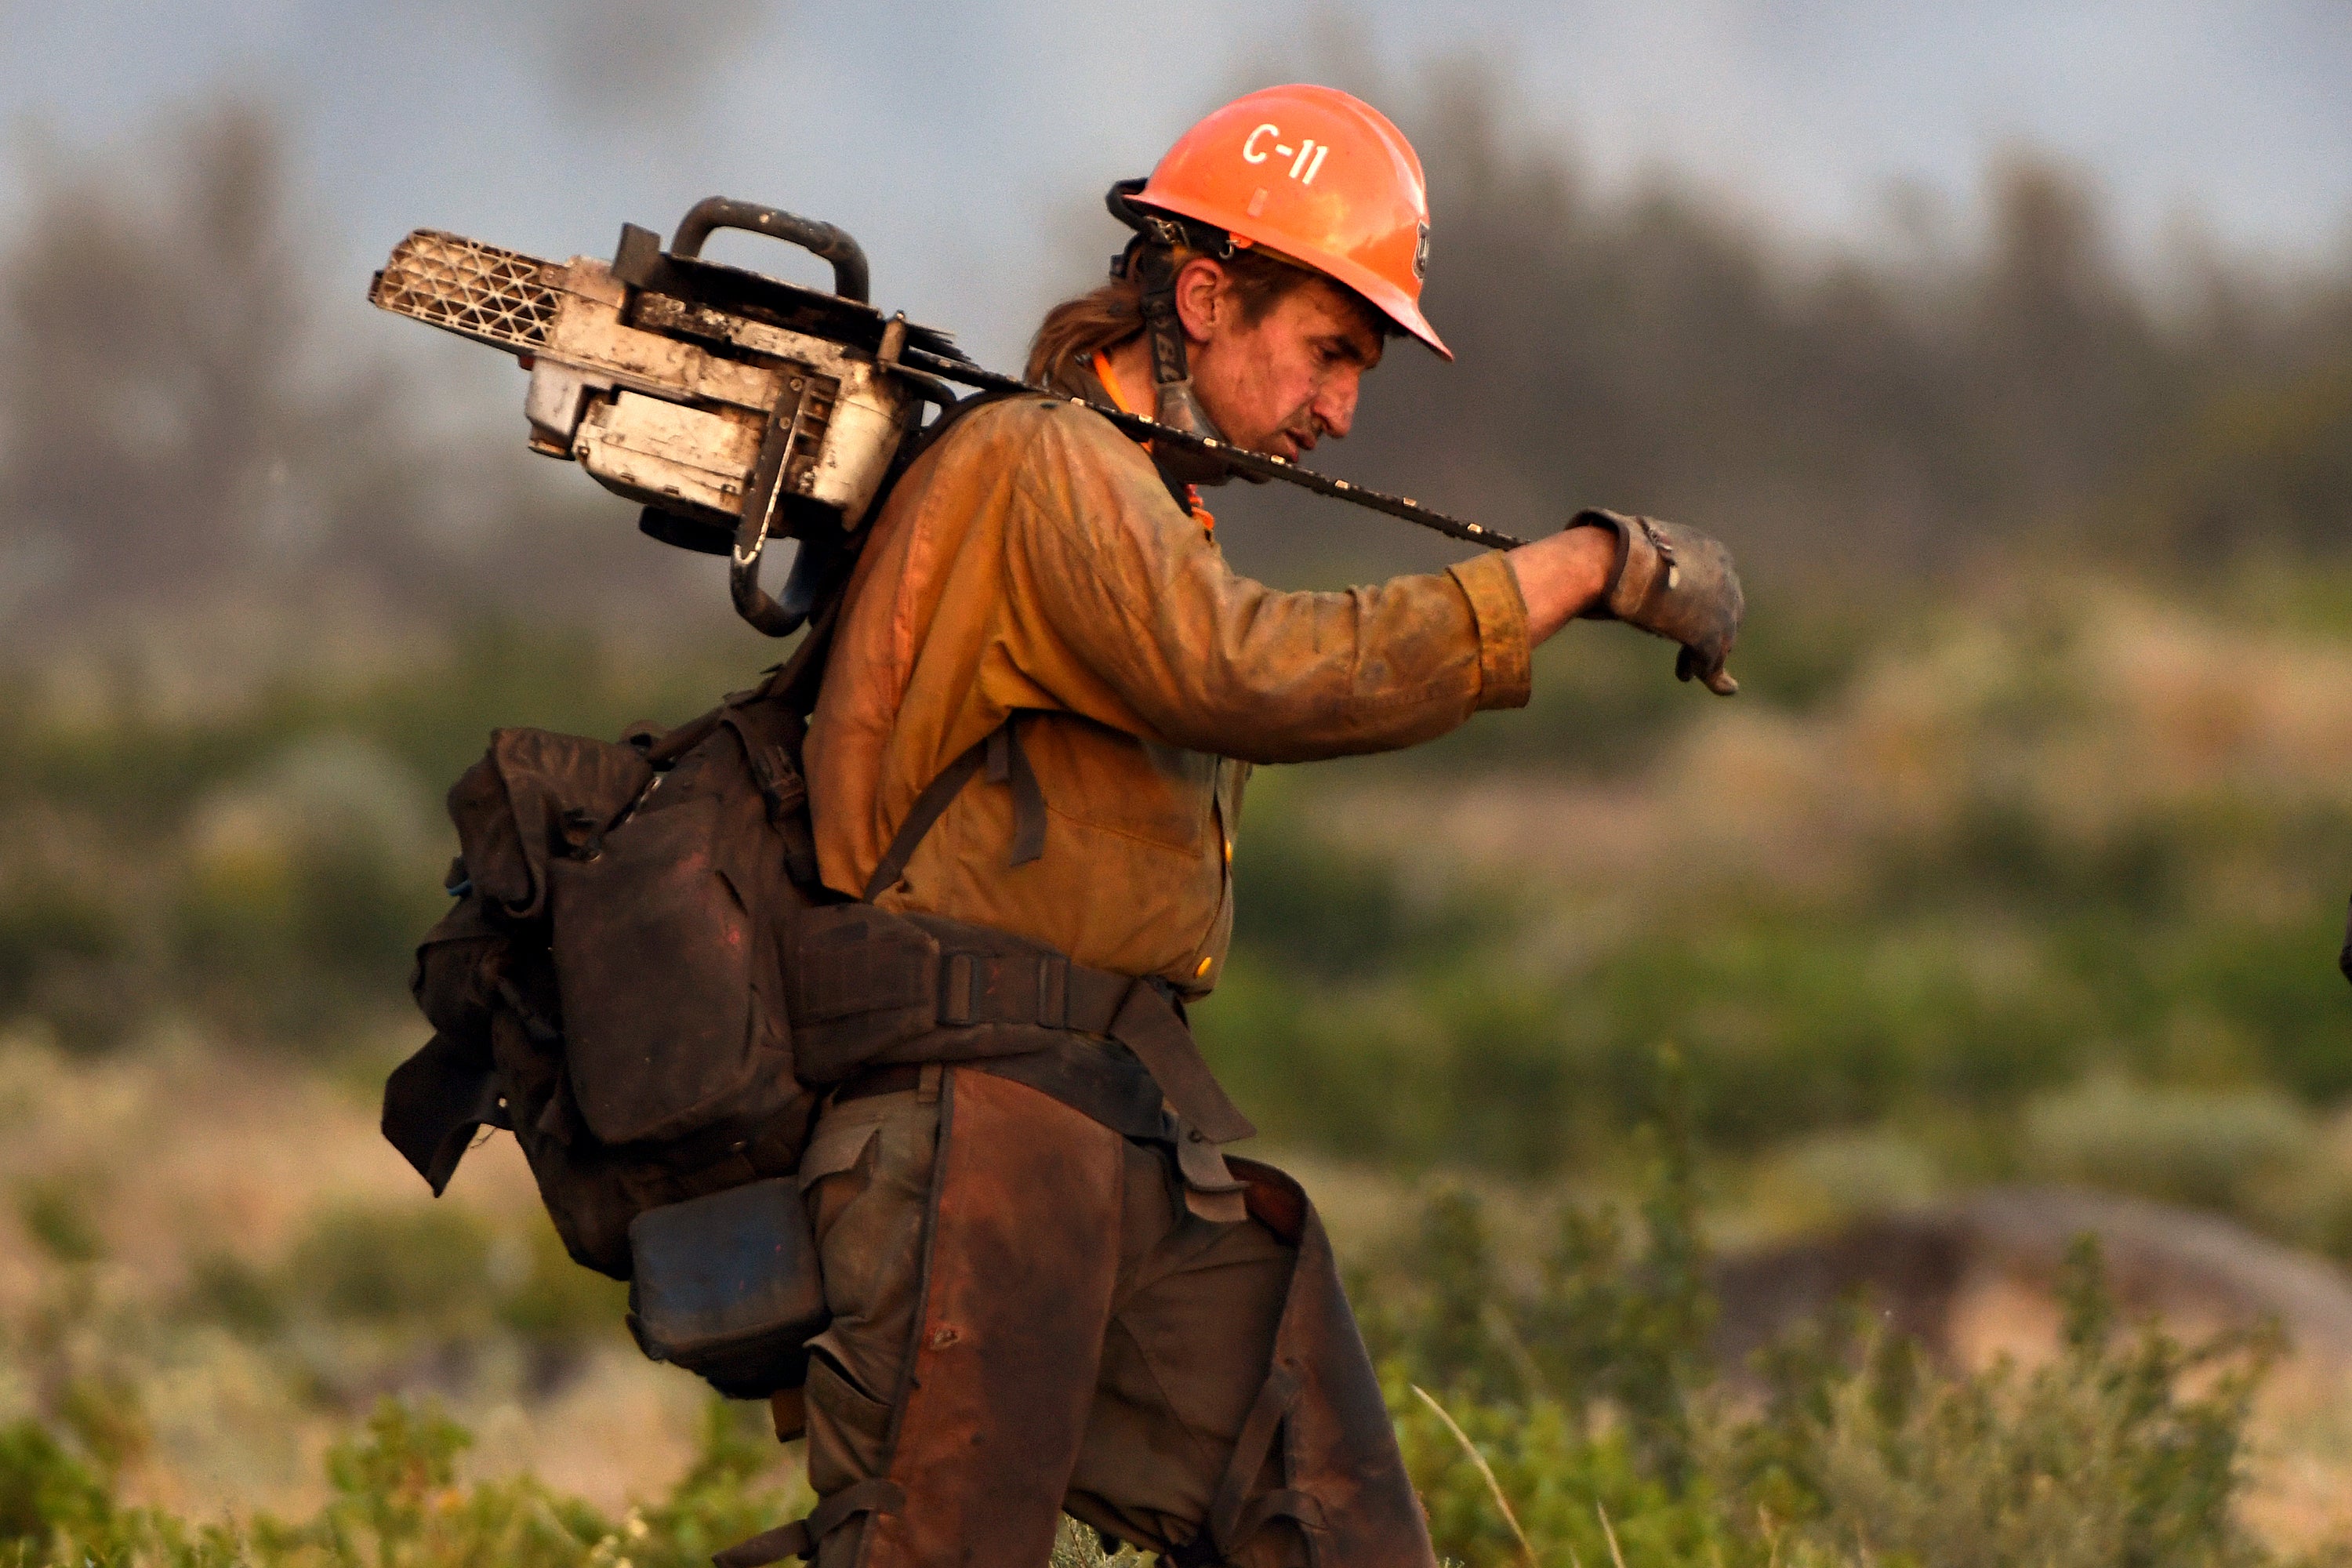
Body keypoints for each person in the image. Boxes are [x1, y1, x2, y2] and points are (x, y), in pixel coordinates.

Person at [788, 84, 1741, 1568]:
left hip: (1099, 1131)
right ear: (1207, 295)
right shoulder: (1045, 464)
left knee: (1338, 1528)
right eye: (1329, 352)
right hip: (964, 1140)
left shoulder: (1144, 501)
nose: (1342, 409)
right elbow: (1251, 673)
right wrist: (1568, 574)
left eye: (1359, 370)